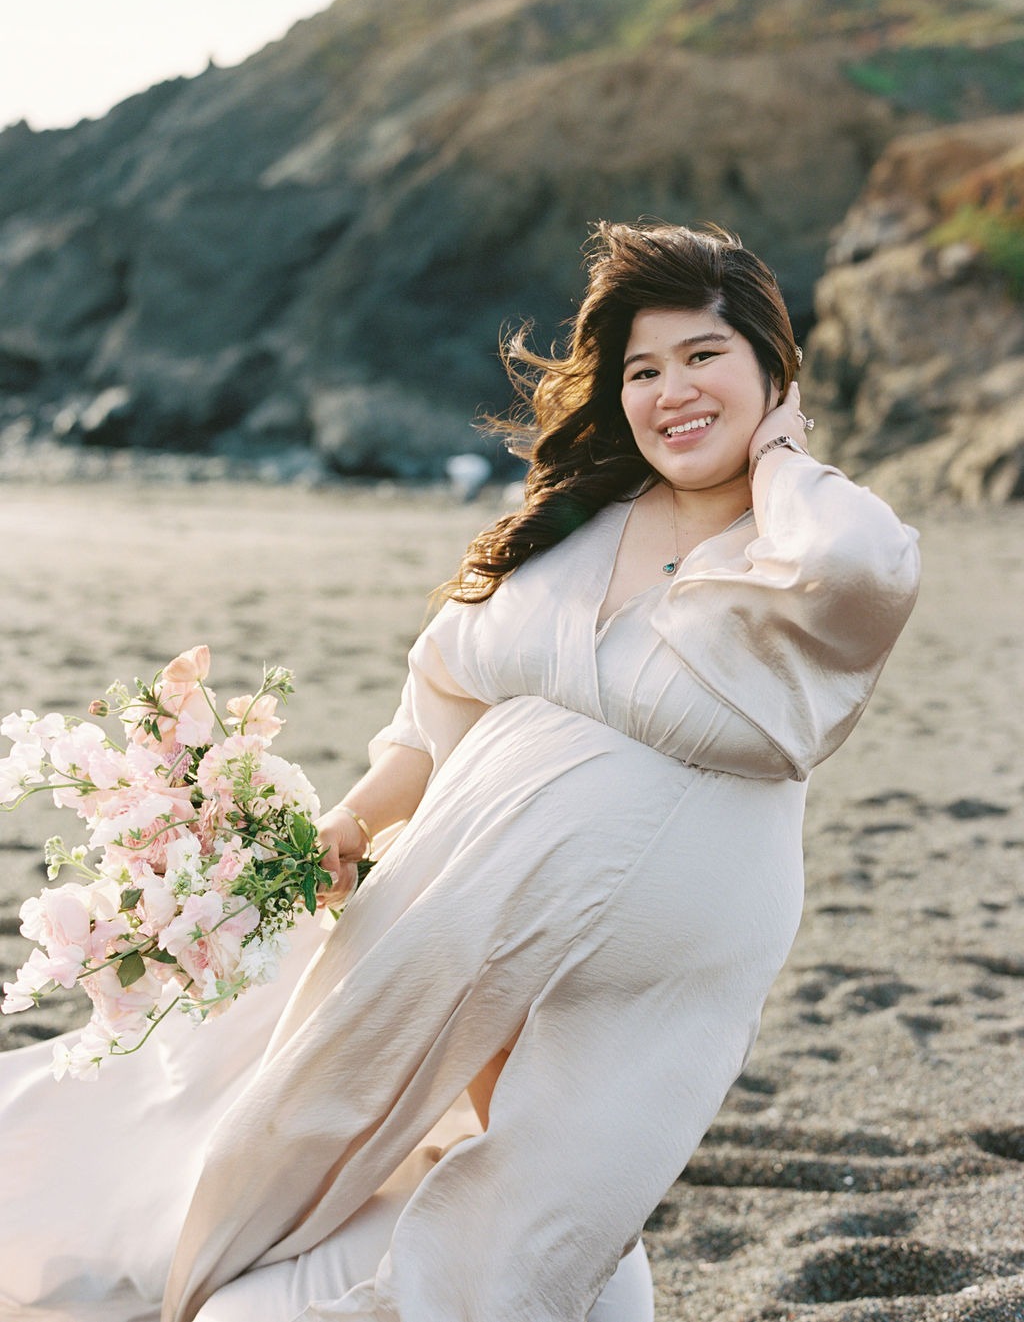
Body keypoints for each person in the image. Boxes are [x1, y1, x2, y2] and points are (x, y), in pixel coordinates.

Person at [0, 222, 920, 1322]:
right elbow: (439, 703)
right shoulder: (572, 530)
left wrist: (777, 455)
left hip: (653, 974)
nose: (671, 390)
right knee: (282, 1148)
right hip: (437, 921)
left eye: (703, 357)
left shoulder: (794, 557)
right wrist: (347, 827)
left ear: (773, 369)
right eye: (641, 369)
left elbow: (860, 562)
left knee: (550, 1210)